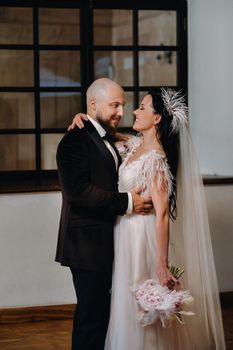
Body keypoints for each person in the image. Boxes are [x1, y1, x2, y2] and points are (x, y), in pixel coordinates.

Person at [70, 88, 226, 350]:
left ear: (157, 119)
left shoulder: (156, 158)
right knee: (123, 300)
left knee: (140, 303)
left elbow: (163, 214)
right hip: (123, 232)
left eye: (142, 107)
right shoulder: (134, 146)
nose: (134, 111)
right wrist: (82, 117)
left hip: (141, 237)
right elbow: (103, 134)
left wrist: (162, 264)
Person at [55, 78, 153, 350]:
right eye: (114, 105)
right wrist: (128, 202)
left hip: (109, 242)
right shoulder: (74, 141)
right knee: (92, 318)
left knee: (104, 316)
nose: (121, 112)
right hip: (86, 245)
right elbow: (78, 193)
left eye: (123, 105)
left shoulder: (107, 137)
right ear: (93, 104)